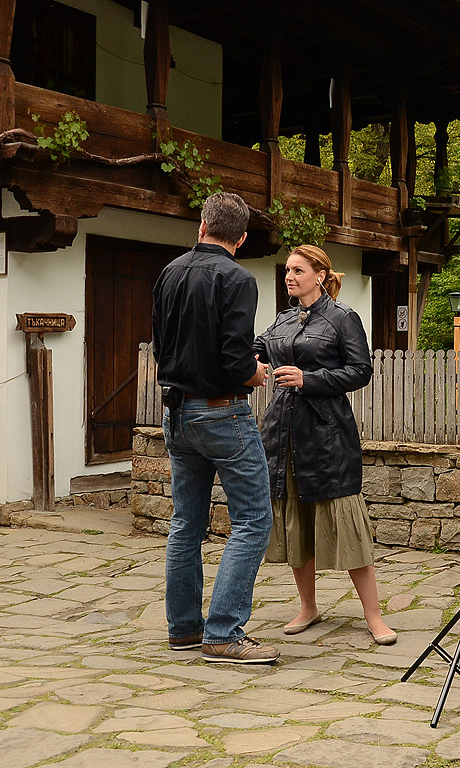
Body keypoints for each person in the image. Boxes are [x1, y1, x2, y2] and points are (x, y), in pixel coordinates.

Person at [151, 192, 279, 664]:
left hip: (176, 413)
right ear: (241, 238)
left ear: (201, 226)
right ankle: (223, 633)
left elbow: (161, 344)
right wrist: (256, 374)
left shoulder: (169, 272)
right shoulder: (238, 278)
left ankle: (184, 629)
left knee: (186, 522)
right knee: (253, 519)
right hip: (222, 412)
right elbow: (235, 356)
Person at [254, 245, 396, 645]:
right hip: (282, 433)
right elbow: (255, 349)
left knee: (347, 524)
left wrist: (308, 379)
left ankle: (374, 616)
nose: (289, 276)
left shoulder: (342, 318)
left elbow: (360, 370)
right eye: (287, 271)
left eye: (298, 270)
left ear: (320, 275)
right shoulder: (281, 320)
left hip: (327, 435)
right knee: (295, 524)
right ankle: (308, 607)